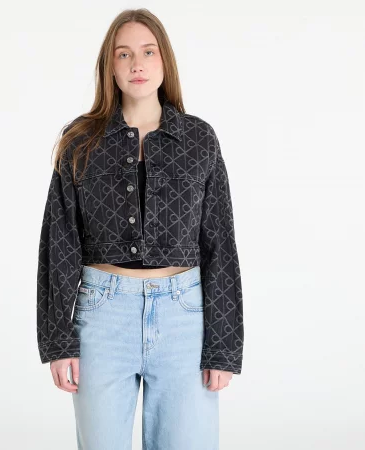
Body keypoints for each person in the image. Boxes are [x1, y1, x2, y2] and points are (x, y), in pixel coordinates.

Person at [36, 8, 244, 450]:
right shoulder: (81, 141)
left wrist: (224, 347)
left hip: (184, 320)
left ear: (164, 60)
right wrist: (58, 341)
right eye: (124, 54)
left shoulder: (199, 139)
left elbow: (219, 245)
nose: (137, 64)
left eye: (148, 52)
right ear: (109, 66)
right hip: (102, 318)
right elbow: (59, 242)